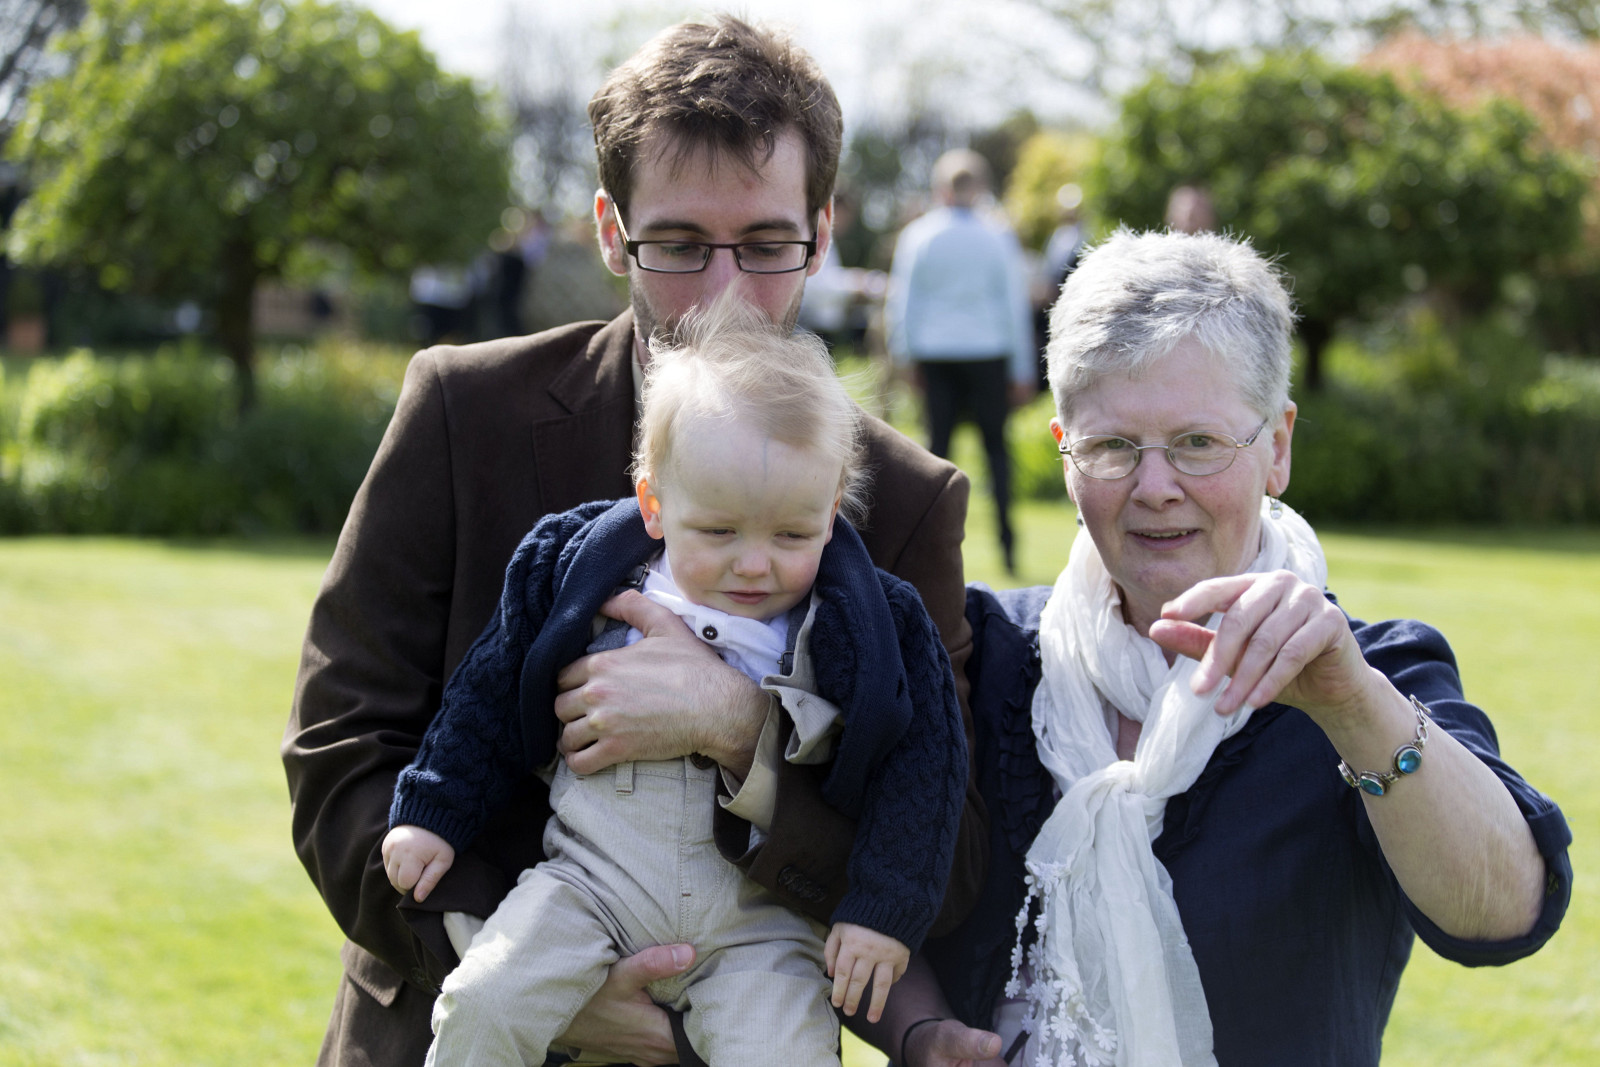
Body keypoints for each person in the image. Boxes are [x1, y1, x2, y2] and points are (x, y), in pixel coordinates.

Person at [284, 15, 985, 1067]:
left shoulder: (907, 499)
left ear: (822, 231)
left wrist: (743, 731)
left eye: (766, 246)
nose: (723, 293)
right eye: (679, 245)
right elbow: (342, 744)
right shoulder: (462, 410)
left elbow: (950, 847)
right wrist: (511, 972)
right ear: (612, 232)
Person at [865, 229, 1572, 1067]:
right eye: (1112, 446)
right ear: (1064, 452)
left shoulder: (1368, 673)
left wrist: (1352, 705)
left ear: (1278, 446)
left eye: (1198, 443)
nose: (1155, 486)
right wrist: (917, 1029)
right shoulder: (979, 655)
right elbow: (858, 885)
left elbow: (1504, 911)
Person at [382, 296, 965, 1065]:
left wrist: (885, 908)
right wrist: (434, 806)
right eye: (719, 531)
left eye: (792, 533)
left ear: (831, 513)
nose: (754, 563)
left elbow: (925, 767)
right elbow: (488, 690)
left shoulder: (872, 623)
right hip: (590, 884)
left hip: (763, 926)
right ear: (654, 503)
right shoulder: (581, 570)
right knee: (486, 1002)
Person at [887, 149, 1035, 575]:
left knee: (936, 458)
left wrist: (903, 355)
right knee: (997, 453)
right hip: (988, 353)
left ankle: (926, 551)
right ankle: (1009, 549)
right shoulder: (997, 234)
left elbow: (903, 300)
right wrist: (1022, 369)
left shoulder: (919, 235)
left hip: (936, 354)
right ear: (980, 187)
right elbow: (1013, 303)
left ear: (940, 188)